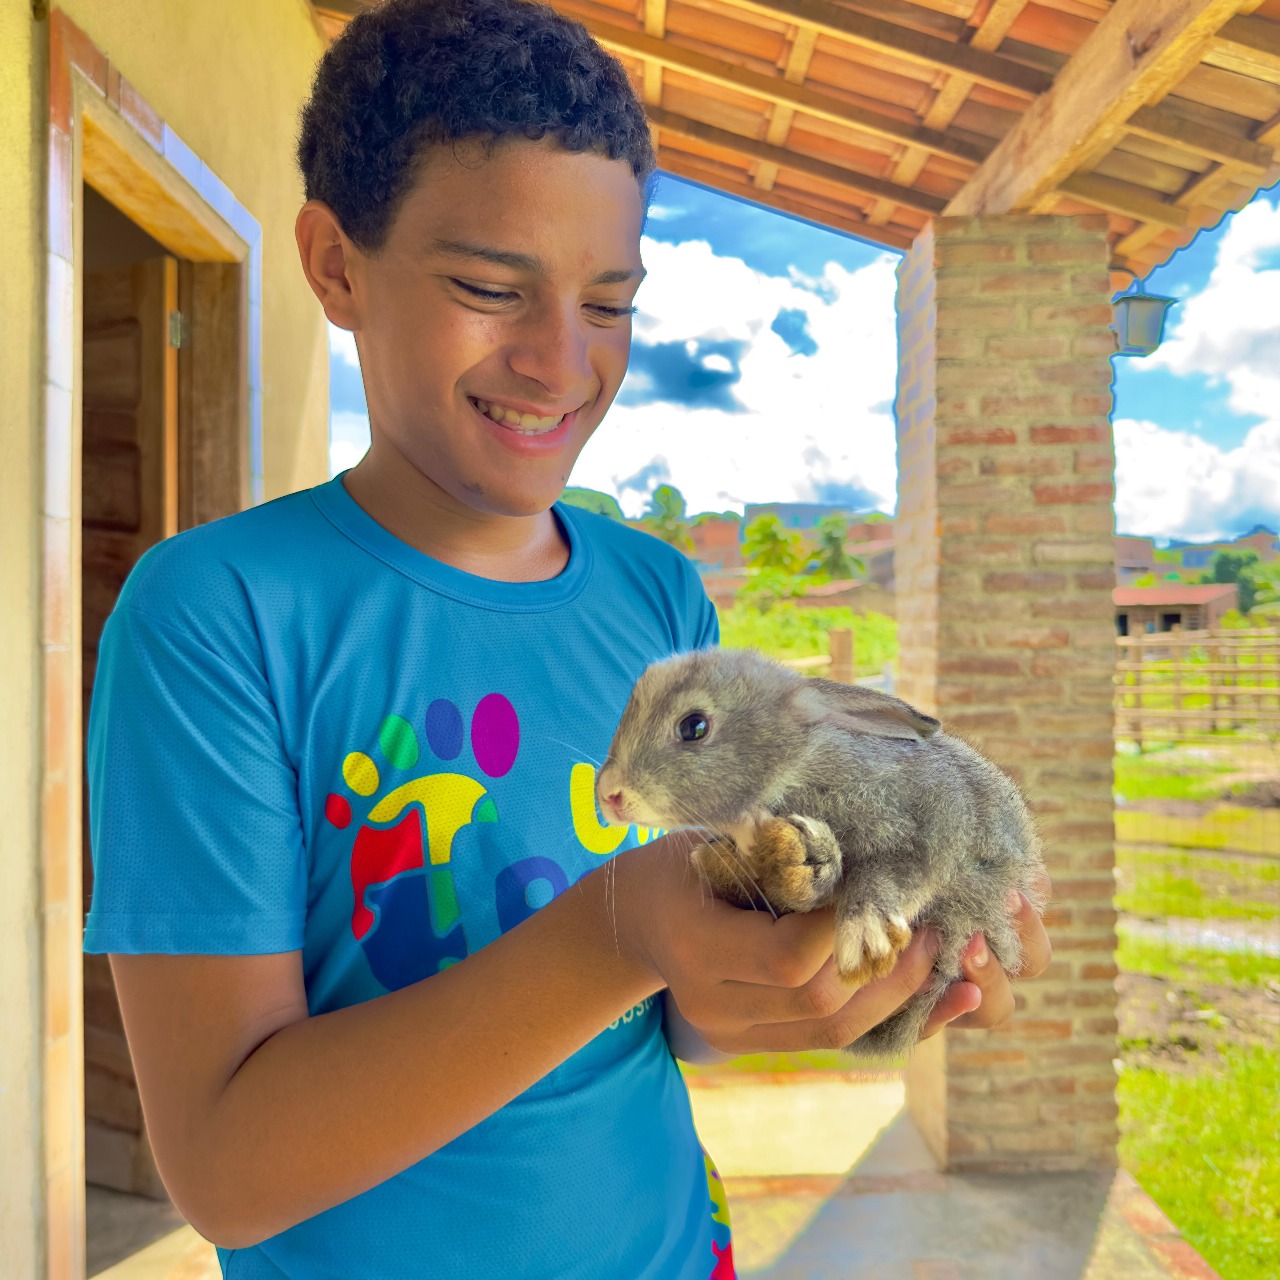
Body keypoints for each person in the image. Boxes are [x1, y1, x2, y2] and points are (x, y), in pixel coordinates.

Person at [83, 1, 1052, 1276]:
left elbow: (674, 1017)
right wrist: (620, 927)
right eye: (490, 288)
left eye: (607, 301)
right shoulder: (218, 612)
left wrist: (804, 974)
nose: (558, 360)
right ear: (333, 265)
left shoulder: (662, 612)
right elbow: (223, 1169)